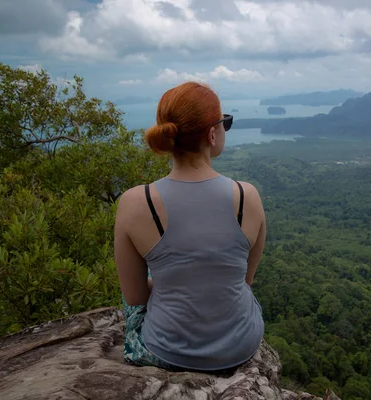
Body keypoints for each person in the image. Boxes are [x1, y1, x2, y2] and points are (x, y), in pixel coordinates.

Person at [114, 81, 266, 373]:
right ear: (212, 134)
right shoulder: (248, 196)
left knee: (149, 265)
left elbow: (134, 298)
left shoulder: (135, 202)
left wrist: (174, 279)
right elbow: (245, 280)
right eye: (225, 123)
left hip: (167, 350)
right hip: (240, 345)